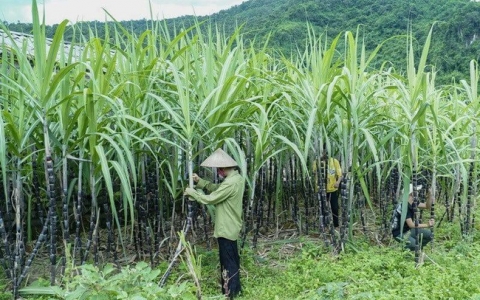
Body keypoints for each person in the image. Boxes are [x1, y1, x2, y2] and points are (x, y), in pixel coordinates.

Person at [184, 148, 244, 299]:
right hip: (232, 226)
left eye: (219, 170)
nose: (218, 172)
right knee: (233, 259)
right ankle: (236, 289)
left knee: (228, 261)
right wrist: (200, 182)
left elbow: (211, 199)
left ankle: (229, 293)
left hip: (226, 227)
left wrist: (193, 193)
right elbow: (218, 189)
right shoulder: (237, 179)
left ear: (223, 168)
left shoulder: (230, 184)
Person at [392, 184, 435, 251]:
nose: (418, 193)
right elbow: (411, 225)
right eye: (417, 191)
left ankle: (417, 250)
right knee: (414, 244)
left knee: (429, 235)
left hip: (408, 230)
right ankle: (408, 252)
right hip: (399, 233)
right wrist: (427, 225)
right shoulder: (405, 206)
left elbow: (427, 206)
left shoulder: (412, 202)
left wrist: (430, 195)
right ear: (412, 194)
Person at [320, 146, 342, 228]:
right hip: (321, 190)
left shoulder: (334, 161)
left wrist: (338, 182)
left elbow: (340, 174)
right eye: (324, 151)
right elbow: (314, 173)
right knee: (322, 208)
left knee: (335, 208)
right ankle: (324, 225)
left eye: (326, 151)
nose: (325, 153)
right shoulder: (317, 162)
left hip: (332, 189)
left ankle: (336, 225)